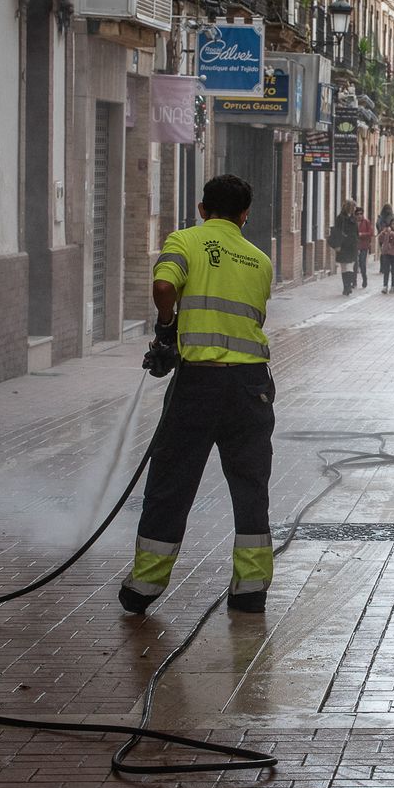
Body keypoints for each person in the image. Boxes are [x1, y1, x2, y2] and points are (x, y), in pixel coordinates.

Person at [119, 174, 276, 615]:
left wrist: (167, 327)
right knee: (250, 487)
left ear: (202, 209)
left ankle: (144, 586)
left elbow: (164, 287)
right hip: (251, 388)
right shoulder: (260, 260)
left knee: (171, 483)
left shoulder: (185, 241)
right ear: (245, 215)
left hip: (199, 385)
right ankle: (250, 590)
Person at [331, 199, 359, 295]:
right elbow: (337, 232)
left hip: (352, 246)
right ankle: (346, 287)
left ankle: (348, 286)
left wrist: (357, 243)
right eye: (354, 207)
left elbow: (356, 232)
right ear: (350, 207)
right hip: (343, 245)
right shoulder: (340, 218)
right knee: (344, 267)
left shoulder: (354, 218)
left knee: (350, 266)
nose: (355, 209)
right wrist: (337, 245)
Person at [355, 206, 375, 289]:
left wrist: (362, 234)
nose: (359, 215)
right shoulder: (353, 222)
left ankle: (364, 279)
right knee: (355, 264)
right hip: (354, 246)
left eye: (361, 213)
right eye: (357, 214)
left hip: (364, 246)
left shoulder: (366, 222)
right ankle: (354, 281)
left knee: (362, 263)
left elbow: (371, 233)